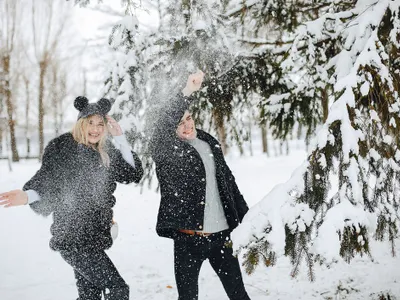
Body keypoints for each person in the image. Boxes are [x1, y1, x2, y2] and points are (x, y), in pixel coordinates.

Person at [0, 96, 143, 300]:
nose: (95, 129)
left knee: (89, 297)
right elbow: (47, 182)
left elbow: (132, 173)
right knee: (117, 289)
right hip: (73, 239)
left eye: (100, 124)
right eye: (90, 123)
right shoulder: (63, 148)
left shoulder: (105, 150)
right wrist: (25, 196)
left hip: (94, 237)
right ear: (81, 123)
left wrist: (120, 137)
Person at [151, 70, 251, 300]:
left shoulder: (208, 141)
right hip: (189, 240)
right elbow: (162, 127)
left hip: (221, 237)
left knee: (238, 294)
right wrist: (186, 91)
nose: (186, 126)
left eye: (188, 119)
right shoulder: (166, 150)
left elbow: (229, 184)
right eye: (179, 123)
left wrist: (248, 220)